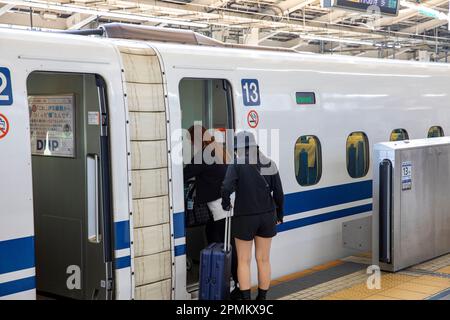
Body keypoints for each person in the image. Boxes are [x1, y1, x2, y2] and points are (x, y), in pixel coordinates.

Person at [221, 131, 284, 300]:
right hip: (267, 216)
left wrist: (225, 203)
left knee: (243, 260)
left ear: (239, 148)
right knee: (263, 259)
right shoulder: (270, 163)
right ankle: (262, 298)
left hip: (245, 216)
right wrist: (280, 215)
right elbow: (279, 193)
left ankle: (246, 300)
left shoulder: (237, 164)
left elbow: (226, 187)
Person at [183, 125, 240, 298]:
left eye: (192, 141)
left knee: (224, 244)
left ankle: (234, 284)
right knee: (218, 237)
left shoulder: (204, 155)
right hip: (230, 203)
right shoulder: (219, 149)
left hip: (220, 208)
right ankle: (233, 282)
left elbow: (184, 174)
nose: (192, 144)